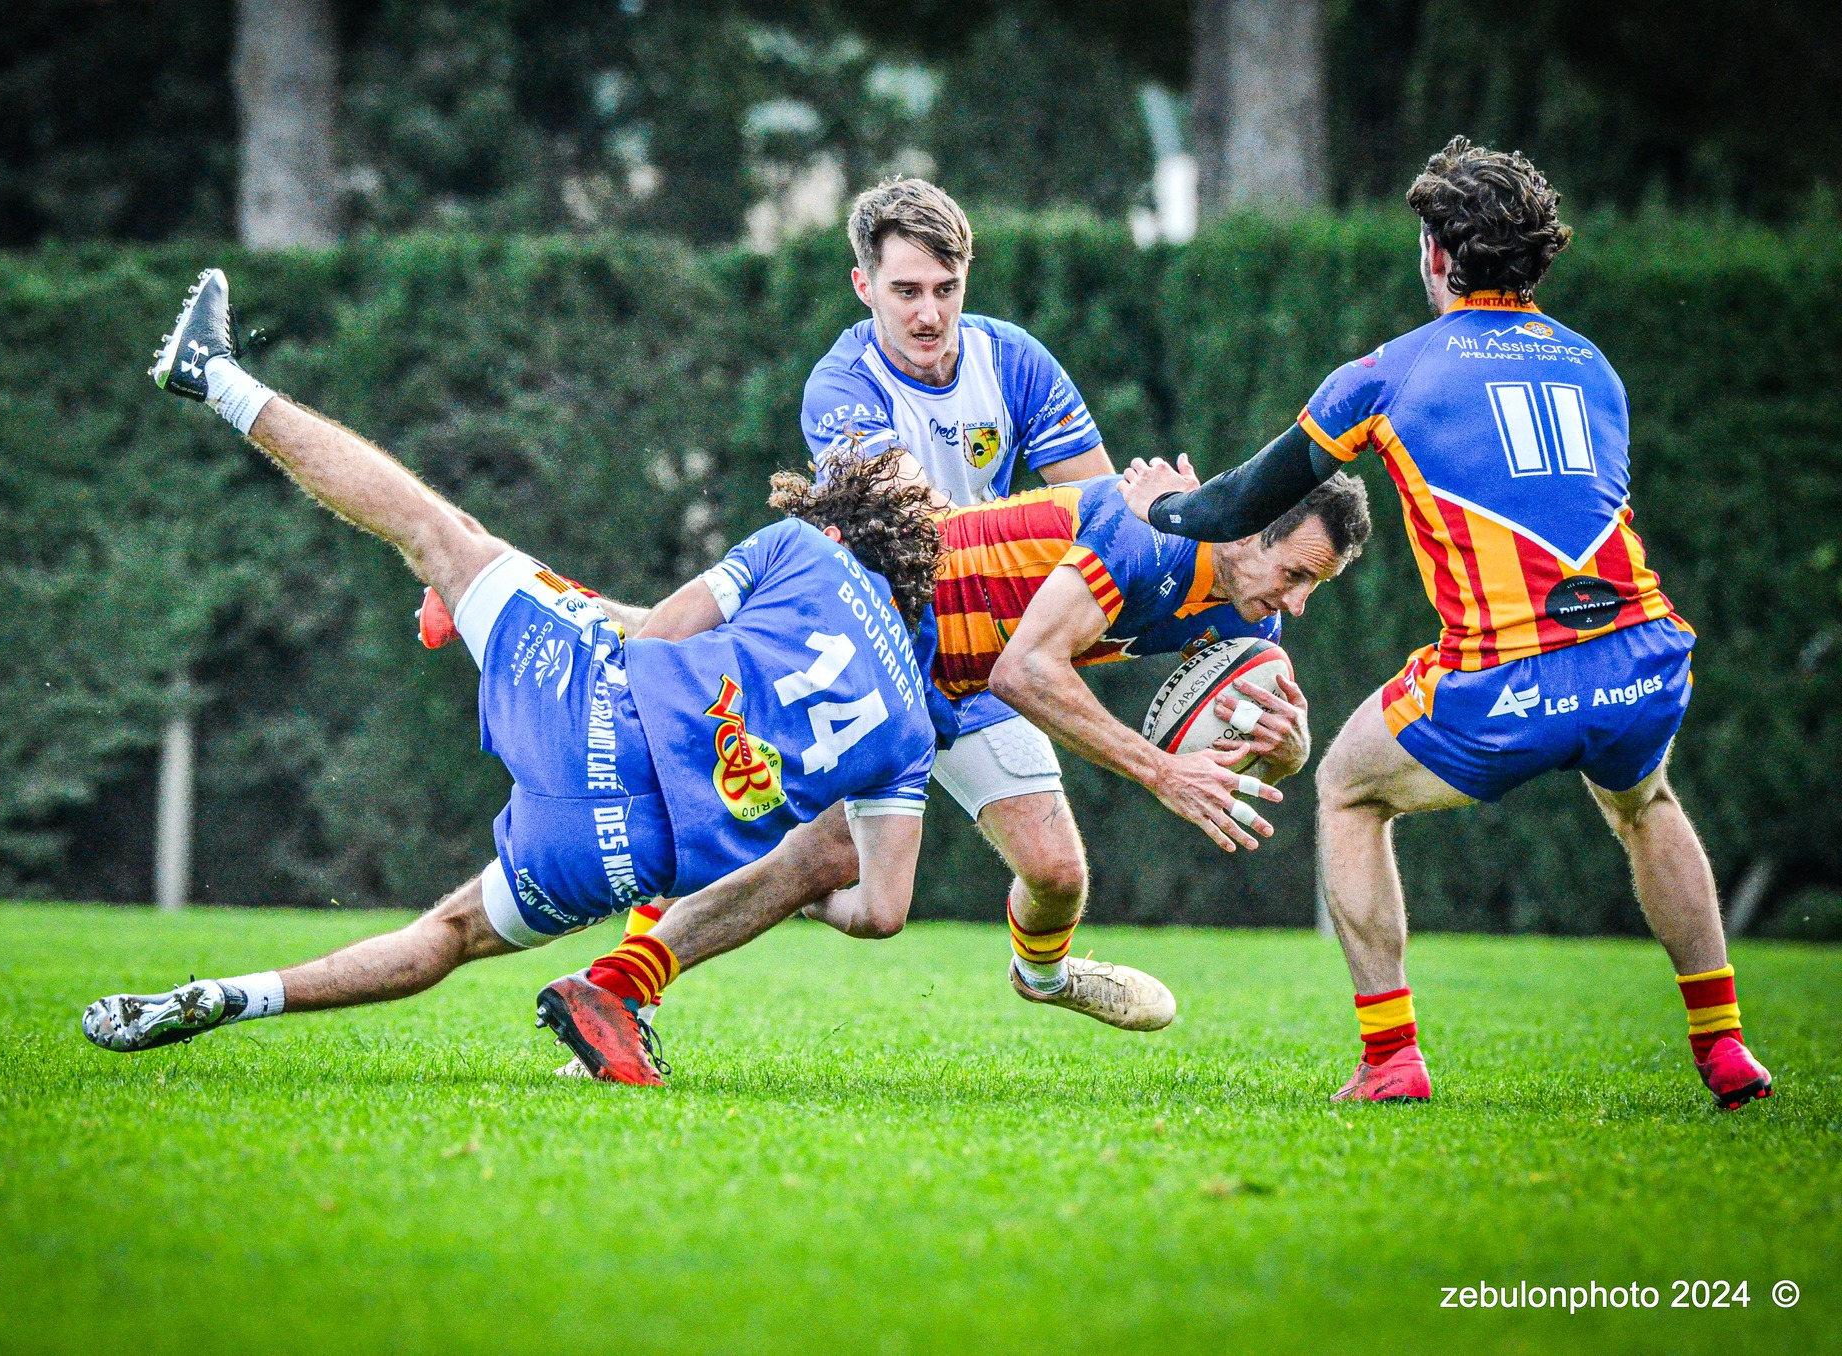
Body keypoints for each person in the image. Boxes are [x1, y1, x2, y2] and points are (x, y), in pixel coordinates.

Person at [81, 268, 946, 1087]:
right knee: (449, 934)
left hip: (591, 716)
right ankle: (234, 999)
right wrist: (786, 890)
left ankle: (214, 375)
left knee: (438, 530)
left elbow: (656, 636)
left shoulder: (800, 548)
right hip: (617, 854)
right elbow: (878, 908)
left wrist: (517, 600)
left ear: (850, 511)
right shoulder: (911, 731)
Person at [1130, 137, 1773, 1110]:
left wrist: (1159, 510)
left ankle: (1390, 1058)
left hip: (1504, 680)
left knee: (1346, 787)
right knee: (1644, 807)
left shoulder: (1382, 375)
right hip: (1640, 658)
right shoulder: (1590, 365)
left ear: (1434, 252)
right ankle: (1724, 1051)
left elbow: (1233, 507)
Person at [548, 468, 1370, 1077]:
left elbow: (1263, 736)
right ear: (1245, 525)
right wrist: (1161, 773)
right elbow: (1029, 672)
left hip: (967, 691)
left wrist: (1290, 743)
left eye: (1316, 587)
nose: (1297, 603)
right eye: (1296, 575)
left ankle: (1042, 976)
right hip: (888, 637)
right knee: (828, 863)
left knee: (1051, 875)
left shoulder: (1248, 612)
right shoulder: (1154, 533)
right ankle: (620, 980)